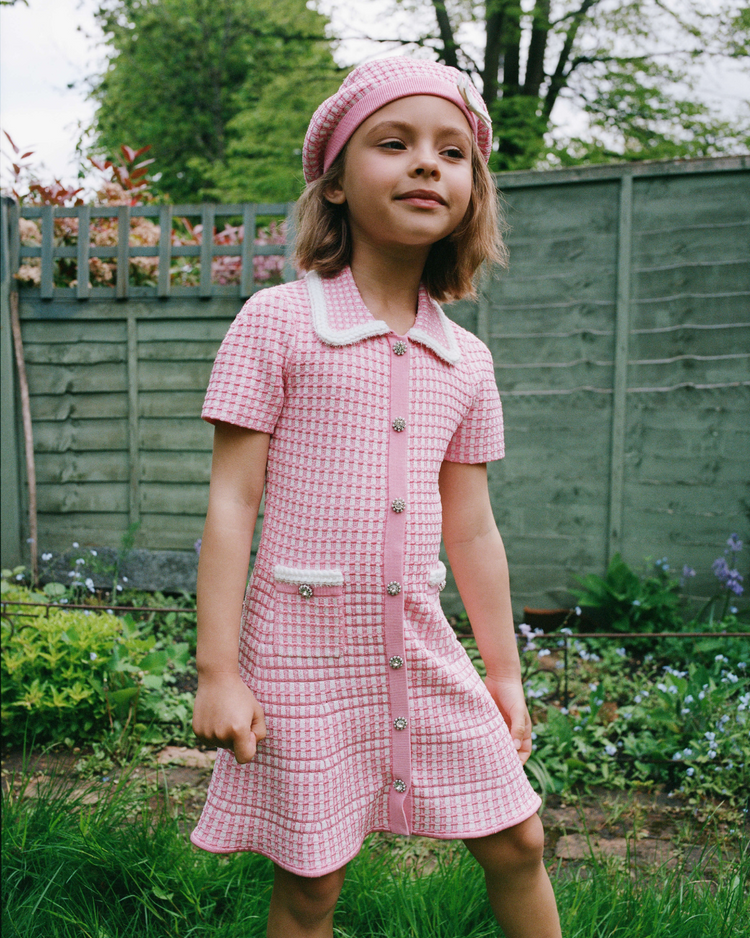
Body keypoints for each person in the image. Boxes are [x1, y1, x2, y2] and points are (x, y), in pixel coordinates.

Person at [191, 56, 562, 938]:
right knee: (314, 882)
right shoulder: (278, 321)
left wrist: (502, 671)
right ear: (336, 183)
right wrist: (217, 671)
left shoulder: (466, 361)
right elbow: (231, 504)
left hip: (422, 644)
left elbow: (471, 530)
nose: (427, 164)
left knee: (519, 837)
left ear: (475, 190)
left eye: (453, 152)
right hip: (302, 652)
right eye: (393, 144)